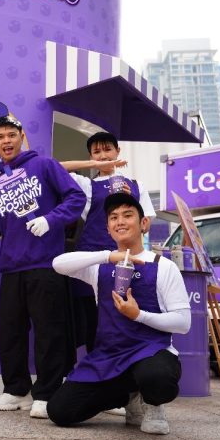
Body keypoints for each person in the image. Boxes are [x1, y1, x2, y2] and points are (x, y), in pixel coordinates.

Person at [0, 115, 85, 419]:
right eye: (0, 137)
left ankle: (47, 393)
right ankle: (16, 390)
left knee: (48, 332)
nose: (6, 141)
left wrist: (51, 220)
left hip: (46, 264)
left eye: (11, 135)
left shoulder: (45, 165)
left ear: (21, 137)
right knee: (10, 333)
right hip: (12, 268)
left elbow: (76, 197)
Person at [48, 192, 191, 435]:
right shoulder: (100, 267)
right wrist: (108, 256)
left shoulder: (163, 266)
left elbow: (183, 322)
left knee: (156, 377)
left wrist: (139, 315)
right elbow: (58, 264)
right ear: (108, 228)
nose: (120, 221)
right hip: (110, 356)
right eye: (113, 217)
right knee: (60, 411)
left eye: (127, 215)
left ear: (143, 223)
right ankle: (129, 397)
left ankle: (152, 403)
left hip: (150, 351)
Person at [59, 132, 156, 353]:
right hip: (92, 260)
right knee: (93, 320)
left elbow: (146, 225)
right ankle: (97, 364)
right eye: (97, 152)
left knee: (126, 312)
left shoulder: (136, 185)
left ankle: (126, 363)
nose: (103, 155)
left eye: (108, 150)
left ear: (118, 151)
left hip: (127, 260)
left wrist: (131, 203)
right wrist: (93, 165)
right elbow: (55, 168)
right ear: (90, 156)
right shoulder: (86, 184)